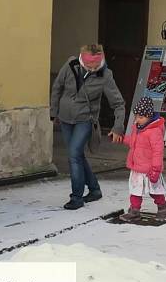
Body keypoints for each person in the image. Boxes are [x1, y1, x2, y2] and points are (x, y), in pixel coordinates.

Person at [50, 44, 126, 210]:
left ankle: (76, 197)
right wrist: (54, 112)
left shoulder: (105, 75)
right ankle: (94, 189)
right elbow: (57, 87)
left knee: (73, 155)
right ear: (82, 59)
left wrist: (117, 127)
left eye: (95, 65)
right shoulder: (71, 64)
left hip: (85, 119)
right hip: (65, 117)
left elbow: (119, 103)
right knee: (76, 155)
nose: (92, 69)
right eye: (89, 65)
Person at [118, 97, 166, 221]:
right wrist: (122, 138)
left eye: (140, 117)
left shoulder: (154, 131)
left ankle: (162, 207)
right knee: (135, 190)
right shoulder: (137, 128)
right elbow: (133, 142)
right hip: (137, 166)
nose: (137, 120)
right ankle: (134, 211)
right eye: (136, 116)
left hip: (150, 168)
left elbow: (158, 152)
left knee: (155, 191)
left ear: (149, 116)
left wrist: (156, 169)